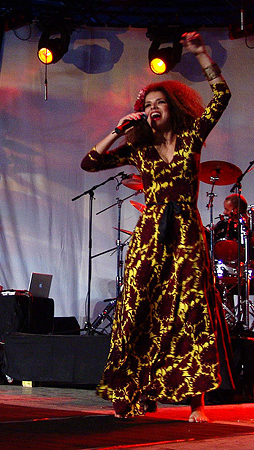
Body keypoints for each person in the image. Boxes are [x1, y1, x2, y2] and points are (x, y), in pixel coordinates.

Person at [81, 32, 231, 422]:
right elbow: (90, 163)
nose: (152, 109)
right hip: (150, 236)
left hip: (184, 233)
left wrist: (200, 54)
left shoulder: (190, 138)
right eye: (146, 105)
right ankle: (131, 393)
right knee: (138, 308)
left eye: (158, 102)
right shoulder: (139, 149)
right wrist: (117, 128)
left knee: (189, 308)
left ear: (173, 106)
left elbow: (221, 97)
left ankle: (196, 403)